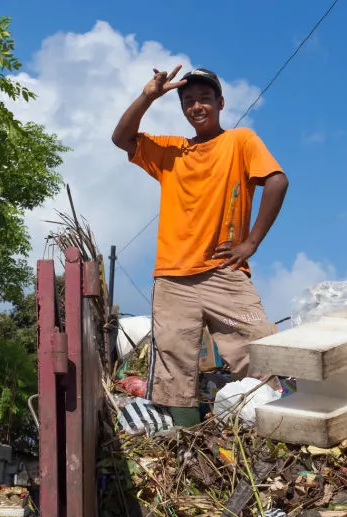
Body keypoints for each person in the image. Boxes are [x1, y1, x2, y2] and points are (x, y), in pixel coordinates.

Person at [112, 66, 289, 427]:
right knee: (174, 369)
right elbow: (121, 138)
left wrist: (251, 242)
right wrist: (149, 95)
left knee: (260, 348)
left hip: (225, 272)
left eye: (204, 99)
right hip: (173, 279)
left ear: (220, 103)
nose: (197, 106)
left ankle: (278, 436)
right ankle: (186, 450)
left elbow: (277, 181)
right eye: (189, 100)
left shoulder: (240, 140)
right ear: (182, 108)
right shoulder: (170, 151)